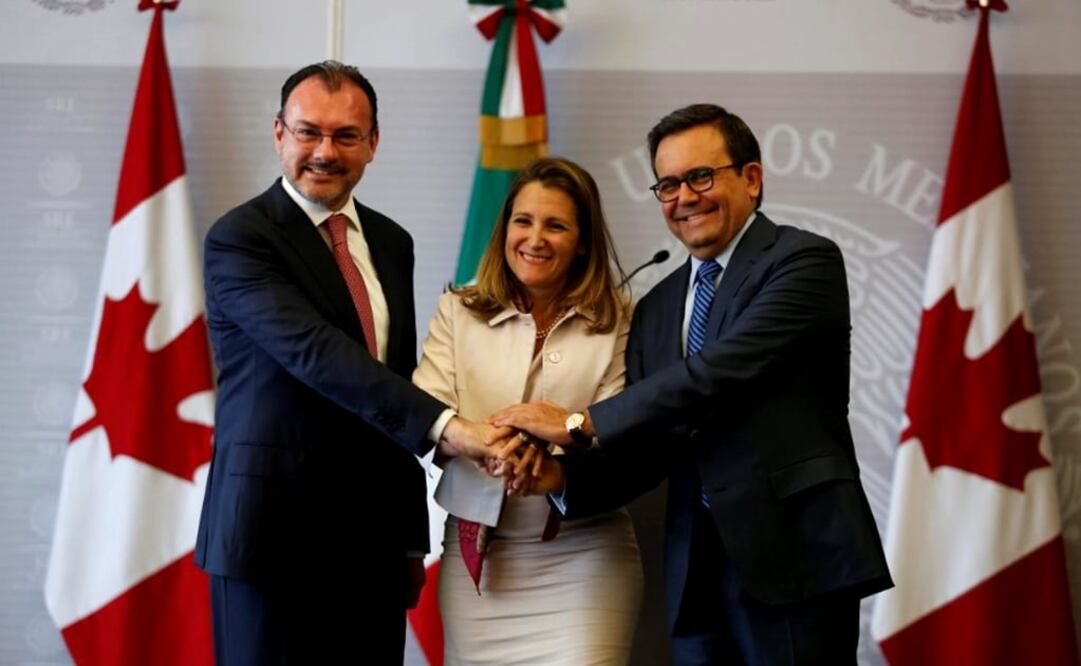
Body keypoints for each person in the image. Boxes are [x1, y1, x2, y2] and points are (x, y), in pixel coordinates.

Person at [492, 104, 893, 665]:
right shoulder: (656, 308)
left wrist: (578, 422)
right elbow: (650, 444)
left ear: (751, 178)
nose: (685, 197)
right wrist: (556, 476)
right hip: (693, 570)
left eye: (701, 177)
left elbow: (719, 372)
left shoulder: (802, 261)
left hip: (793, 559)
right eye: (668, 185)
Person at [193, 60, 500, 665]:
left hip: (373, 547)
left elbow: (392, 381)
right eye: (308, 132)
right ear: (279, 133)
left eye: (345, 136)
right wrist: (450, 428)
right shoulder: (241, 238)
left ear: (373, 143)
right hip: (269, 539)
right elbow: (316, 353)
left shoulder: (391, 242)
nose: (324, 152)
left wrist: (411, 534)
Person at [413, 156, 644, 664]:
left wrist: (560, 448)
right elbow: (427, 409)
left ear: (582, 240)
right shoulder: (458, 308)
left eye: (555, 225)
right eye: (524, 221)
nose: (535, 238)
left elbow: (626, 428)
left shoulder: (620, 317)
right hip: (480, 563)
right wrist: (480, 441)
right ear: (504, 230)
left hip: (585, 559)